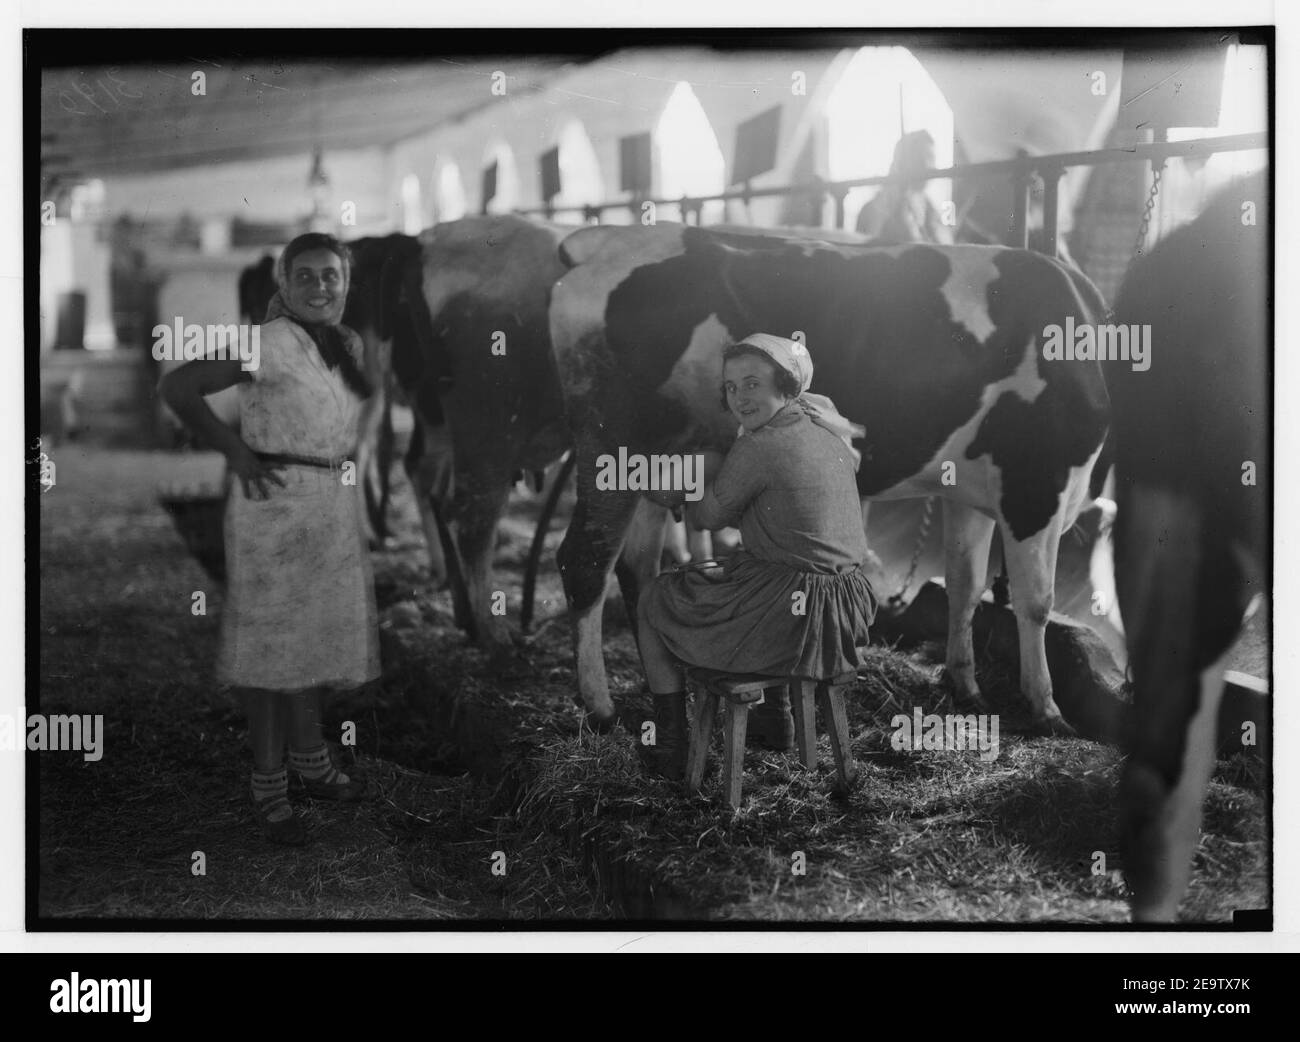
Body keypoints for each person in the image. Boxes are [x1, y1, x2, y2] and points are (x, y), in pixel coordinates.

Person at [160, 232, 380, 844]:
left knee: (311, 641)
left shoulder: (347, 345)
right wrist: (234, 451)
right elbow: (178, 387)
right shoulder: (264, 342)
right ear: (283, 284)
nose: (319, 286)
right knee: (270, 648)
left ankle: (310, 761)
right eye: (304, 275)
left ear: (346, 282)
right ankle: (267, 784)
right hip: (273, 502)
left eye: (330, 275)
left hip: (330, 505)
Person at [634, 334, 878, 779]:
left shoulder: (758, 446)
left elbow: (706, 519)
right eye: (730, 387)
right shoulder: (826, 427)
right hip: (848, 608)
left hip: (798, 614)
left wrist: (687, 481)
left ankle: (670, 745)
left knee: (653, 599)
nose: (739, 398)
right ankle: (775, 719)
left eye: (752, 384)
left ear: (785, 384)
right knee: (761, 568)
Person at [854, 129, 954, 246]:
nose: (929, 165)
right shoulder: (874, 210)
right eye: (920, 158)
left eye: (931, 158)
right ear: (903, 162)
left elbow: (947, 246)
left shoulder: (930, 209)